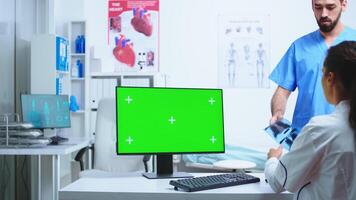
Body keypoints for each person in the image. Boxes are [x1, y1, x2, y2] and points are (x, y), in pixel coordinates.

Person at [265, 41, 356, 199]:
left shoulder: (320, 129)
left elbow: (278, 181)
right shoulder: (298, 47)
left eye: (321, 73)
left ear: (329, 78)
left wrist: (272, 159)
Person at [269, 0, 356, 132]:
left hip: (348, 133)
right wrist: (278, 114)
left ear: (343, 4)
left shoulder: (353, 43)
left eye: (330, 7)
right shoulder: (299, 47)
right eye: (318, 7)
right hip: (306, 133)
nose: (323, 14)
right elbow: (282, 91)